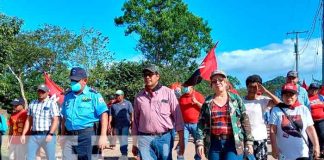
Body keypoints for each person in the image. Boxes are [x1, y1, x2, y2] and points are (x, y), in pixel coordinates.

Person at [196, 70, 254, 160]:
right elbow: (201, 123)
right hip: (214, 143)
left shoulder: (235, 99)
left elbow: (245, 120)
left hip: (233, 142)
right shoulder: (208, 102)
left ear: (226, 82)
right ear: (211, 85)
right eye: (214, 81)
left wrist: (249, 141)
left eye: (220, 80)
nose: (217, 82)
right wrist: (199, 142)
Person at [132, 64, 185, 160]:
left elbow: (178, 118)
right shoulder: (139, 97)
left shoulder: (168, 93)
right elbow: (135, 121)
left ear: (157, 76)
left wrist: (182, 140)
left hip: (164, 138)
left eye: (150, 74)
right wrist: (134, 143)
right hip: (144, 138)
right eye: (145, 75)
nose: (147, 77)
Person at [61, 67, 108, 160]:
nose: (73, 82)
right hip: (69, 136)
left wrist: (103, 136)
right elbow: (64, 117)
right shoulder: (67, 96)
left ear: (85, 80)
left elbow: (104, 114)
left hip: (87, 136)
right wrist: (62, 135)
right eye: (72, 80)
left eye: (76, 80)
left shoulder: (93, 94)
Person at [270, 83, 320, 159]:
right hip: (284, 153)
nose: (289, 97)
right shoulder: (276, 110)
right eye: (286, 95)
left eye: (291, 95)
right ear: (282, 96)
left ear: (296, 96)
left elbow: (310, 129)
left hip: (302, 152)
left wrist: (316, 146)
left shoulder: (303, 109)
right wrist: (274, 147)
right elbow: (272, 130)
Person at [243, 75, 281, 160]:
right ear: (247, 87)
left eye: (255, 87)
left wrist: (266, 91)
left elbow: (280, 104)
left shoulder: (263, 100)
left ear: (259, 88)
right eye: (250, 87)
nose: (252, 90)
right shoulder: (241, 101)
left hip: (259, 137)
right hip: (245, 138)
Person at [20, 84, 60, 160]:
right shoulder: (32, 103)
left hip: (47, 134)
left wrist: (50, 134)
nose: (40, 93)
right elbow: (29, 120)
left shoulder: (52, 103)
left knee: (50, 157)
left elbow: (55, 120)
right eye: (39, 91)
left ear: (48, 92)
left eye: (43, 91)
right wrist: (23, 134)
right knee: (29, 157)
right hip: (34, 135)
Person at [179, 85, 205, 160]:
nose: (185, 88)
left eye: (187, 86)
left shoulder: (198, 95)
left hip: (196, 124)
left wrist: (196, 102)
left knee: (198, 143)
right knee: (181, 142)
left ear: (192, 87)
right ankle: (180, 158)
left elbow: (205, 108)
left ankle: (198, 158)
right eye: (184, 86)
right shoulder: (182, 97)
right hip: (184, 124)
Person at [109, 90, 133, 159]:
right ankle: (123, 153)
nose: (117, 97)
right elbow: (110, 115)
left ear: (123, 95)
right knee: (120, 140)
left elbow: (131, 113)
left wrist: (132, 122)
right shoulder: (113, 105)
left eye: (119, 95)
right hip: (117, 125)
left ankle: (124, 154)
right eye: (116, 95)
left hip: (125, 124)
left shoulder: (128, 103)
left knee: (124, 139)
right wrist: (109, 124)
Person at [307, 83, 324, 158]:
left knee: (322, 137)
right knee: (311, 139)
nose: (314, 90)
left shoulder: (321, 97)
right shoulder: (306, 98)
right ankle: (310, 155)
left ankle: (320, 152)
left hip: (321, 121)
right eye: (312, 89)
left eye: (316, 89)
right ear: (309, 89)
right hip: (311, 123)